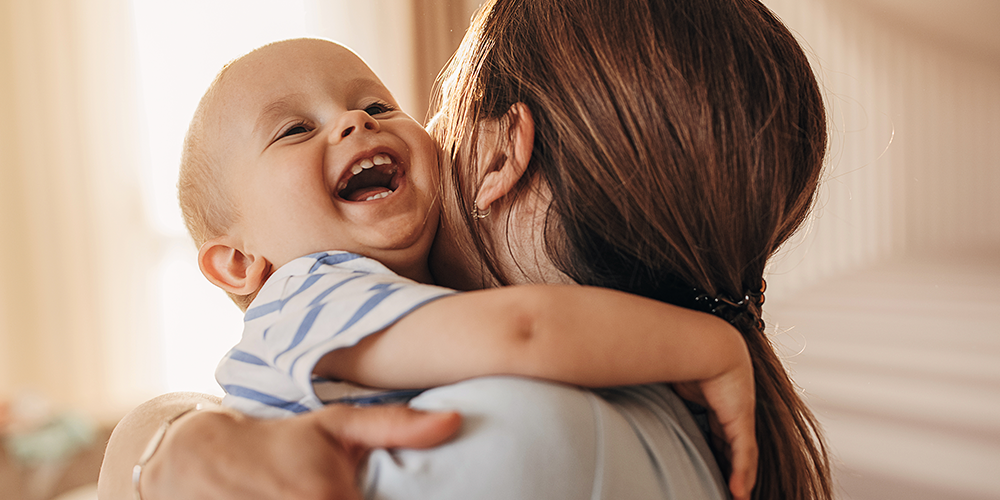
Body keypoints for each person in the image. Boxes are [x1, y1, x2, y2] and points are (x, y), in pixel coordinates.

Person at [99, 0, 832, 499]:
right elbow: (526, 330)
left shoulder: (517, 433)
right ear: (237, 263)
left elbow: (528, 334)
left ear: (503, 153)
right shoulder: (313, 287)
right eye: (294, 131)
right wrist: (709, 344)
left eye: (381, 105)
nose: (354, 123)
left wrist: (149, 453)